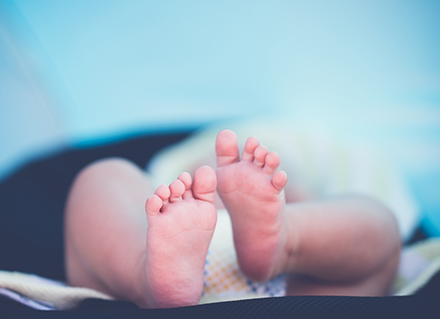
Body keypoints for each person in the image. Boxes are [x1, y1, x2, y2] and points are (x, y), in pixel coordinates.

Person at [64, 129, 401, 309]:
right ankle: (145, 276)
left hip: (295, 285)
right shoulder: (158, 202)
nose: (231, 172)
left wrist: (289, 204)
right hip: (159, 251)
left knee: (380, 228)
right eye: (212, 169)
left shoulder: (308, 197)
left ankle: (287, 239)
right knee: (106, 182)